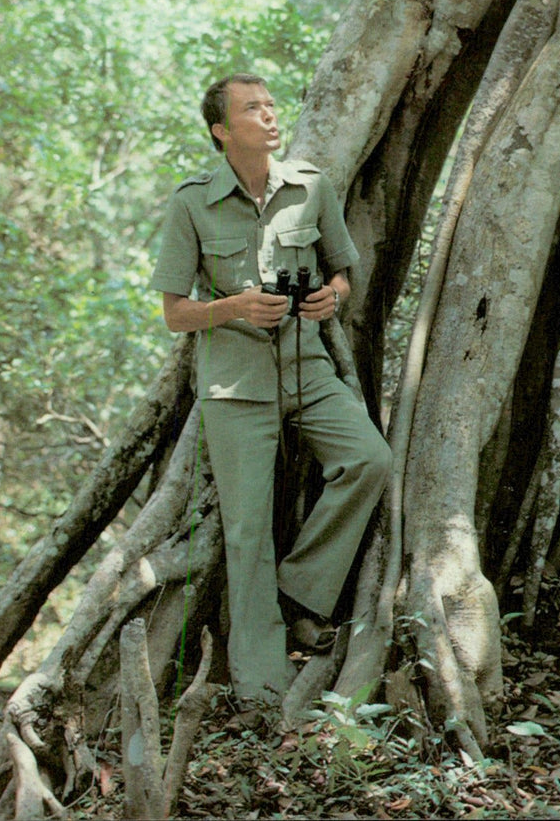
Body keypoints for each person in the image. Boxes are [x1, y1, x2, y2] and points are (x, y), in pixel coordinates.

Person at [150, 73, 390, 707]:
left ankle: (303, 590)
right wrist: (232, 307)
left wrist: (328, 299)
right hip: (235, 386)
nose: (268, 115)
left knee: (370, 460)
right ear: (221, 131)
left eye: (270, 105)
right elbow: (175, 313)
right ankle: (262, 686)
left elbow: (343, 277)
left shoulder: (311, 188)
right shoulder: (191, 203)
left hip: (308, 369)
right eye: (251, 109)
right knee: (247, 532)